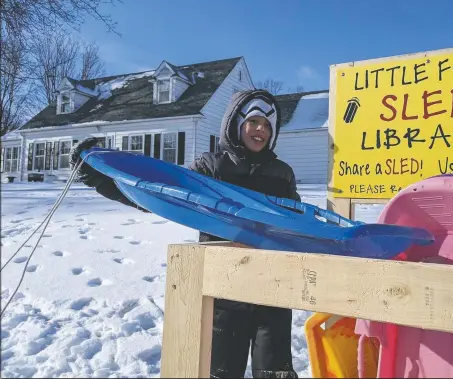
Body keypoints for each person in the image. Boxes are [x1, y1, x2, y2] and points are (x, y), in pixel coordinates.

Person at [70, 88, 300, 378]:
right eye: (254, 121)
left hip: (273, 291)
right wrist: (100, 177)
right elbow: (161, 195)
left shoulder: (282, 173)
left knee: (275, 371)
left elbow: (298, 224)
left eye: (267, 125)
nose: (260, 130)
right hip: (224, 290)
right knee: (221, 370)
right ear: (235, 123)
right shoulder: (211, 167)